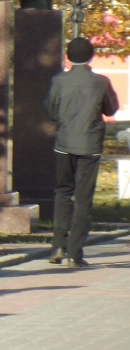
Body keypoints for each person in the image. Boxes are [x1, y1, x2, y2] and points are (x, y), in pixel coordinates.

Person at [46, 36, 118, 267]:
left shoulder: (59, 81)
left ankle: (58, 244)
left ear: (68, 56)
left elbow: (50, 110)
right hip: (90, 145)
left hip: (64, 144)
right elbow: (111, 108)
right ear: (91, 56)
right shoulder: (101, 82)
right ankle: (75, 253)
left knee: (63, 192)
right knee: (83, 199)